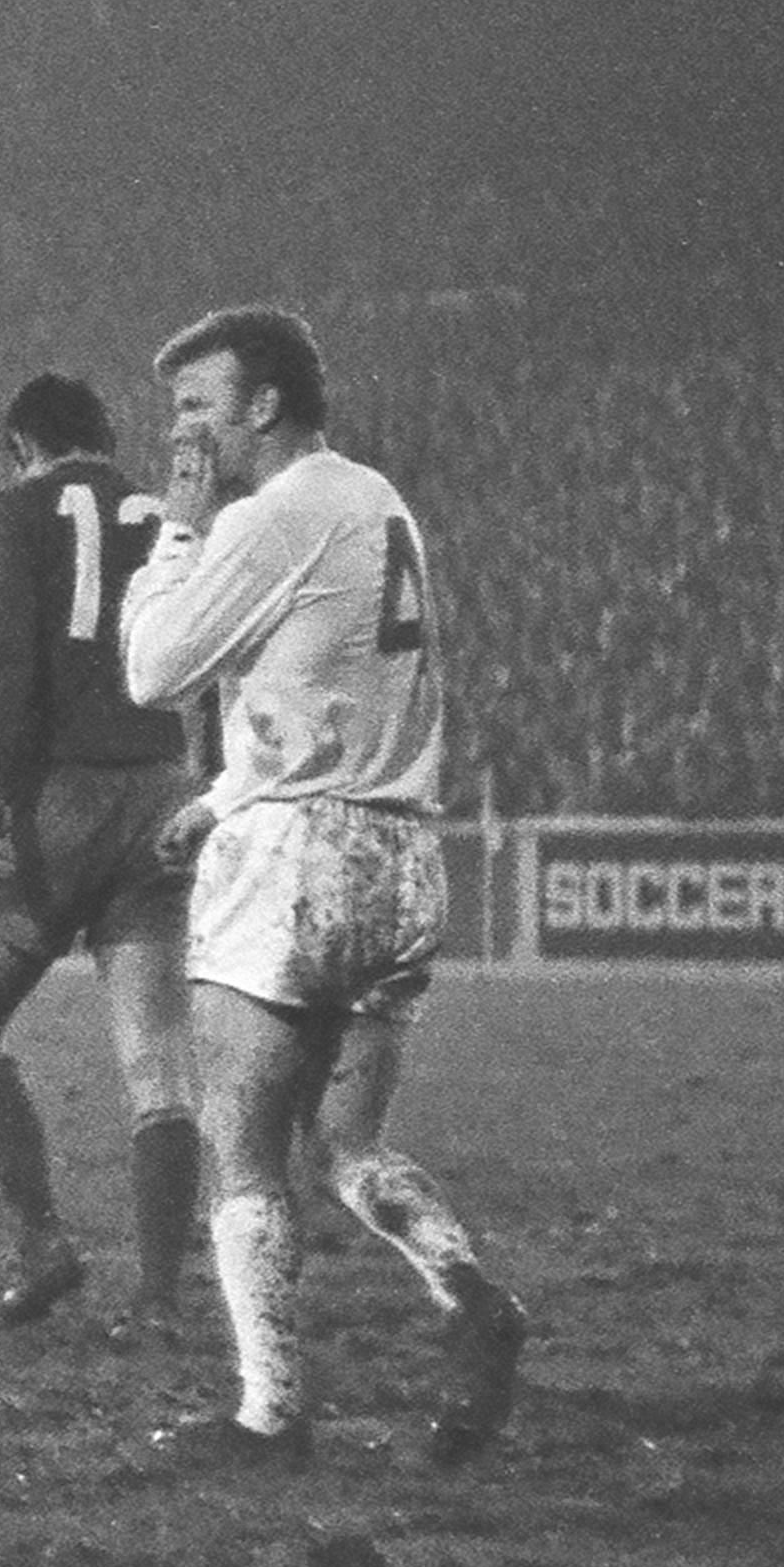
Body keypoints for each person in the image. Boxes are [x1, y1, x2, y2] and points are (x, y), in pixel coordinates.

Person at [114, 305, 530, 1464]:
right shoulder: (376, 500)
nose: (182, 436)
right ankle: (465, 1289)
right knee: (346, 1144)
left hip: (297, 867)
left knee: (239, 1145)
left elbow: (152, 670)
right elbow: (328, 684)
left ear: (261, 405)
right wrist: (226, 793)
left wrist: (180, 533)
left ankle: (270, 1413)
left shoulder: (272, 512)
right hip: (397, 855)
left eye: (198, 406)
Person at [0, 370, 206, 1332]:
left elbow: (7, 660)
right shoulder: (166, 512)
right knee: (161, 1061)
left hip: (62, 789)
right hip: (160, 786)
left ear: (23, 444)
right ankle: (163, 1297)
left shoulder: (14, 511)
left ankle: (44, 1238)